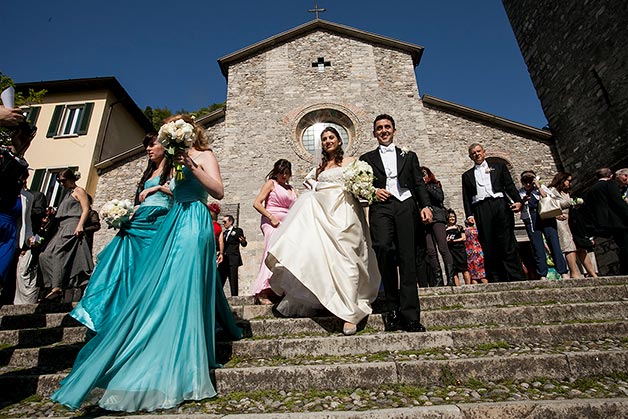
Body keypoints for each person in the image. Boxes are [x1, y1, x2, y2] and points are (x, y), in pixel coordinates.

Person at [51, 114, 242, 412]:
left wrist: (191, 165)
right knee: (168, 287)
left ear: (190, 130)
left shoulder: (204, 155)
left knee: (188, 283)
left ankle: (190, 357)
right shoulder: (173, 162)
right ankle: (164, 346)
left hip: (195, 220)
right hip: (173, 221)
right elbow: (172, 192)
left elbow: (217, 191)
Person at [268, 126, 379, 336]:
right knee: (324, 260)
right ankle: (334, 305)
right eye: (324, 138)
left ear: (339, 141)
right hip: (323, 216)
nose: (328, 141)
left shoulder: (352, 162)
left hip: (346, 214)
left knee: (348, 259)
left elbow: (362, 188)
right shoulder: (319, 169)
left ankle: (350, 311)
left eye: (331, 137)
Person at [70, 133, 173, 332]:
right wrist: (124, 214)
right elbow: (139, 200)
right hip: (138, 220)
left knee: (146, 267)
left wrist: (158, 188)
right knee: (119, 263)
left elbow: (180, 192)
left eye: (152, 145)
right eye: (146, 146)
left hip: (158, 221)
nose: (148, 149)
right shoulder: (149, 172)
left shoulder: (172, 169)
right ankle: (111, 312)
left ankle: (145, 314)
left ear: (164, 146)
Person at [360, 114, 432, 332]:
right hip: (381, 207)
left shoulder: (409, 156)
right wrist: (373, 190)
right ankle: (391, 309)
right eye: (379, 128)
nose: (383, 130)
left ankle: (410, 316)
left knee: (407, 257)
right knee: (382, 248)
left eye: (387, 127)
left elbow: (419, 183)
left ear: (394, 130)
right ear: (374, 133)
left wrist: (425, 206)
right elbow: (362, 184)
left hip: (406, 205)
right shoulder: (366, 158)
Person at [461, 143, 525, 282]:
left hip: (499, 205)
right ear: (470, 156)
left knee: (506, 240)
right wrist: (469, 214)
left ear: (484, 152)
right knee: (488, 242)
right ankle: (496, 277)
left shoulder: (499, 167)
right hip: (481, 208)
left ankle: (516, 276)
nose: (476, 154)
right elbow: (466, 197)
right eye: (473, 153)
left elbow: (509, 185)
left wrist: (518, 200)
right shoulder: (467, 176)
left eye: (478, 151)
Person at [39, 169, 93, 302]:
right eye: (59, 181)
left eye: (63, 180)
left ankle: (57, 288)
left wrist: (80, 225)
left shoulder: (79, 191)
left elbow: (86, 208)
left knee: (58, 254)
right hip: (61, 227)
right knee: (44, 256)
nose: (61, 183)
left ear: (71, 179)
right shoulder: (67, 194)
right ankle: (56, 283)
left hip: (72, 224)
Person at [252, 159, 297, 305]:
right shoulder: (271, 184)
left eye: (286, 173)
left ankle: (279, 288)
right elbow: (256, 203)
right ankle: (262, 290)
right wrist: (271, 217)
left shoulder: (292, 189)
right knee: (271, 250)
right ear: (276, 173)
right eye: (281, 173)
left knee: (285, 255)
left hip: (287, 224)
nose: (284, 176)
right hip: (271, 222)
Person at [518, 170, 568, 280]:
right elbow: (518, 208)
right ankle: (542, 274)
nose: (528, 184)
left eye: (530, 180)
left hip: (546, 217)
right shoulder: (520, 192)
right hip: (531, 219)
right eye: (525, 181)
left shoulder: (542, 188)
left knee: (554, 243)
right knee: (537, 247)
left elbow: (548, 199)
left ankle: (563, 271)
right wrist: (523, 200)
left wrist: (538, 187)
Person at [547, 172, 597, 278]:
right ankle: (574, 272)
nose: (570, 183)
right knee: (569, 247)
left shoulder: (567, 192)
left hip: (573, 222)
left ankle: (592, 273)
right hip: (562, 222)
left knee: (581, 247)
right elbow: (550, 205)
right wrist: (571, 202)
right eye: (568, 180)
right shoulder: (552, 191)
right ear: (561, 180)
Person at [585, 167, 628, 274]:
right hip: (619, 221)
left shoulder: (591, 190)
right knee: (625, 245)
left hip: (605, 223)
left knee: (621, 246)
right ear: (611, 176)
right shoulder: (610, 184)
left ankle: (623, 270)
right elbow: (618, 202)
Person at [420, 166, 453, 287]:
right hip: (424, 220)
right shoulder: (417, 189)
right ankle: (438, 278)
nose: (423, 176)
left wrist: (426, 187)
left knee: (443, 248)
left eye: (424, 174)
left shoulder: (434, 185)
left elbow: (439, 198)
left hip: (437, 217)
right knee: (431, 251)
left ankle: (450, 278)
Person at [219, 214, 247, 296]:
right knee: (220, 279)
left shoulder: (237, 231)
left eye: (225, 221)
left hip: (233, 259)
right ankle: (218, 298)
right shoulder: (224, 233)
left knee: (233, 279)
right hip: (224, 259)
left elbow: (243, 243)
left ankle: (234, 297)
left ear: (230, 222)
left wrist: (243, 242)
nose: (223, 223)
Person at [445, 209, 471, 286]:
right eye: (450, 217)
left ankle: (468, 286)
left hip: (460, 250)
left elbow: (464, 238)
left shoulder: (459, 227)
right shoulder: (445, 229)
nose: (452, 218)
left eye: (453, 217)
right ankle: (458, 287)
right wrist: (447, 240)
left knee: (464, 269)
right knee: (454, 271)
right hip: (451, 250)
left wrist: (454, 241)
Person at [464, 218, 487, 284]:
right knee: (480, 274)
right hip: (475, 250)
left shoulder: (465, 231)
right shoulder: (475, 230)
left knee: (475, 275)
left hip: (471, 251)